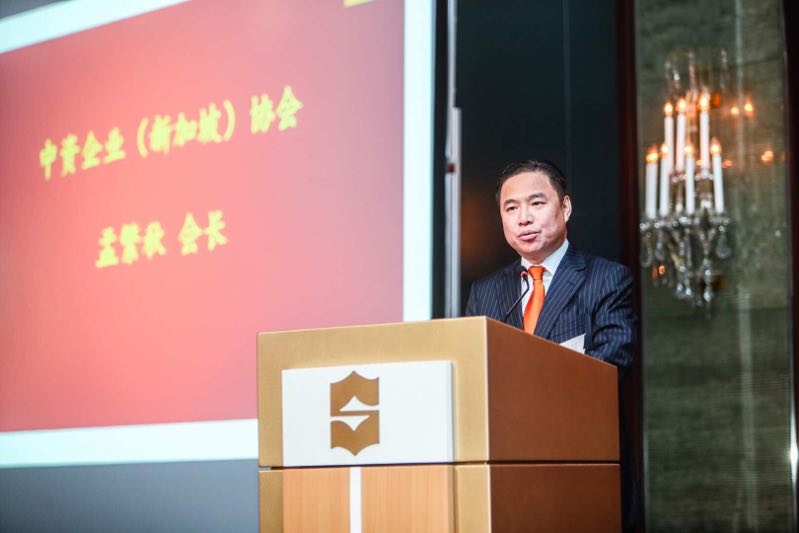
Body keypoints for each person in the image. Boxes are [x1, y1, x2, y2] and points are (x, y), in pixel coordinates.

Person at [464, 159, 635, 375]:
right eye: (511, 208)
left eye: (536, 203)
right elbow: (472, 369)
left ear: (565, 208)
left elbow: (610, 364)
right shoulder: (483, 292)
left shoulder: (606, 279)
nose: (524, 219)